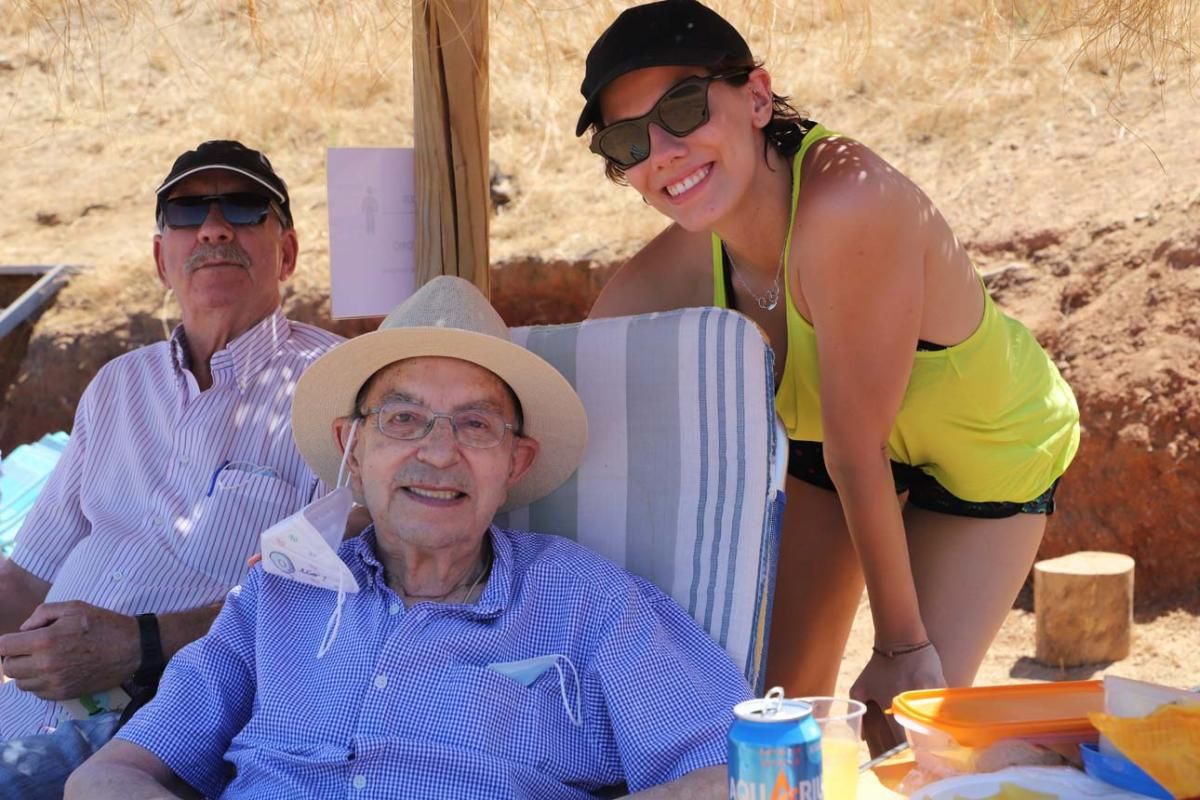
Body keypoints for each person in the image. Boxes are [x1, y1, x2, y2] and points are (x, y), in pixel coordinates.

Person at [577, 0, 1079, 750]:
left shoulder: (849, 203)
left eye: (682, 108)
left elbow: (857, 448)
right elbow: (565, 404)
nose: (662, 152)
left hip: (986, 454)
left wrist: (902, 647)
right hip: (831, 453)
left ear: (755, 97)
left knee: (900, 734)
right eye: (626, 140)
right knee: (760, 722)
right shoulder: (669, 272)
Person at [68, 276, 750, 800]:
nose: (439, 452)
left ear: (515, 463)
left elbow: (736, 775)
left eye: (476, 425)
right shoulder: (277, 594)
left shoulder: (589, 601)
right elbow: (109, 775)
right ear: (353, 449)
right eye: (403, 419)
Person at [0, 140, 343, 793]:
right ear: (163, 259)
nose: (213, 227)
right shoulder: (116, 385)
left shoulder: (335, 390)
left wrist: (143, 644)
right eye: (186, 212)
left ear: (289, 252)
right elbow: (24, 582)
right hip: (18, 724)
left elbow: (334, 603)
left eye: (243, 208)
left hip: (149, 739)